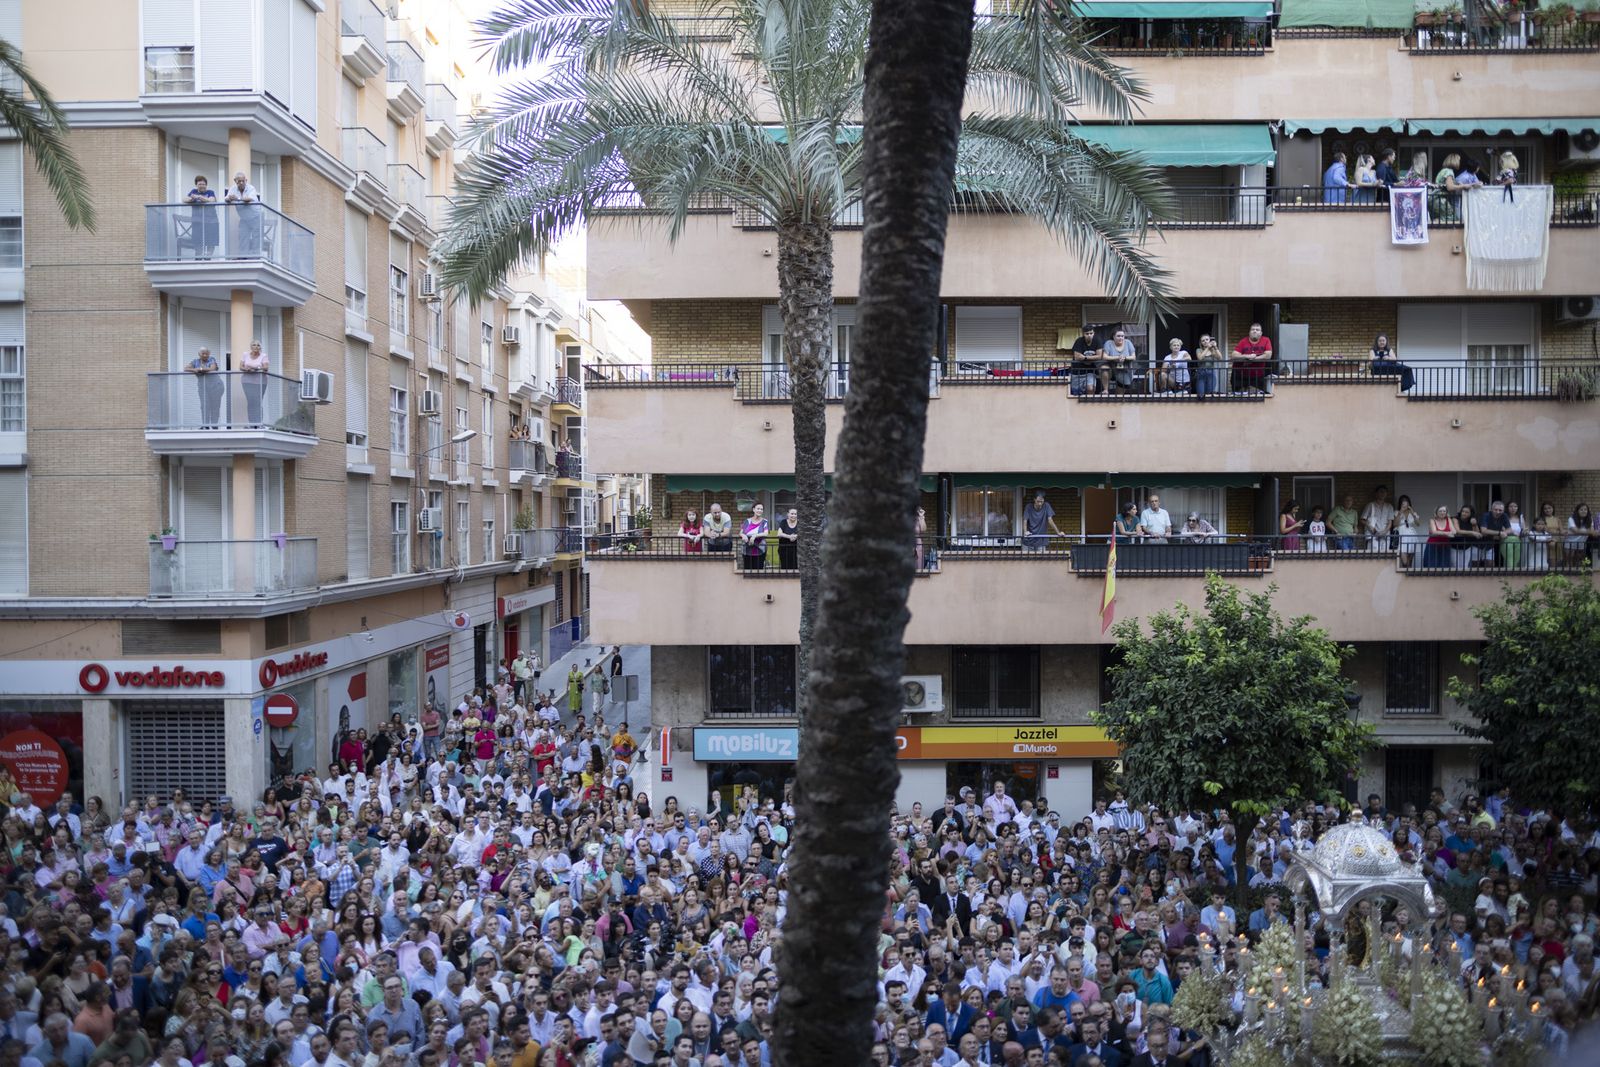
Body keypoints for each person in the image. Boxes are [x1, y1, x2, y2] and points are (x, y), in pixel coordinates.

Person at [224, 171, 262, 257]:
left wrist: (237, 198)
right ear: (235, 181)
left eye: (243, 181)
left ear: (246, 180)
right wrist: (229, 198)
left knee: (256, 238)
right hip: (244, 218)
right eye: (239, 181)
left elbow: (249, 199)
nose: (241, 183)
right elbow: (226, 199)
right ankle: (243, 258)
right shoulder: (233, 189)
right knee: (242, 237)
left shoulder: (251, 188)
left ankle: (256, 258)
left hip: (256, 217)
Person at [186, 347, 226, 429]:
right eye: (203, 353)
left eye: (206, 353)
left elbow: (212, 368)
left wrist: (200, 369)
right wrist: (195, 370)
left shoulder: (211, 359)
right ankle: (205, 425)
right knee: (204, 406)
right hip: (203, 387)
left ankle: (214, 426)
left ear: (209, 354)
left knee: (215, 406)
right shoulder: (195, 361)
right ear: (199, 354)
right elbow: (186, 368)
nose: (205, 355)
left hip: (216, 386)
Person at [1231, 323, 1272, 394]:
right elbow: (1234, 355)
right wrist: (1247, 356)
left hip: (1257, 376)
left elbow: (1268, 355)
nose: (1255, 331)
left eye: (1257, 330)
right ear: (1249, 332)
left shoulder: (1266, 340)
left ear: (1261, 333)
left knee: (1257, 397)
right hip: (1240, 375)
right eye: (1253, 329)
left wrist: (1254, 359)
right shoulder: (1243, 341)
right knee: (1238, 396)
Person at [185, 176, 218, 258]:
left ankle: (208, 259)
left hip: (211, 221)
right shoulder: (193, 191)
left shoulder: (210, 192)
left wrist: (199, 197)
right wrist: (192, 199)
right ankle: (199, 259)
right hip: (197, 222)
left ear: (206, 185)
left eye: (204, 184)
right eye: (200, 184)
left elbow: (212, 200)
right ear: (196, 185)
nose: (202, 186)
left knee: (211, 242)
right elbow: (185, 199)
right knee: (198, 242)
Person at [240, 340, 270, 427]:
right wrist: (247, 369)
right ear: (251, 347)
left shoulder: (264, 356)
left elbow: (266, 367)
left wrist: (256, 367)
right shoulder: (245, 354)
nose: (256, 347)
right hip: (247, 381)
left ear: (260, 347)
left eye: (258, 345)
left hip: (260, 382)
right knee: (251, 402)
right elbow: (241, 366)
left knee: (257, 402)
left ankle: (259, 423)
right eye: (254, 345)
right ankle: (252, 424)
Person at [1099, 330, 1139, 395]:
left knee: (1120, 394)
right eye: (1118, 336)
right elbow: (1104, 357)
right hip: (1111, 368)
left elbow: (1133, 357)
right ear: (1113, 336)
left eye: (1122, 336)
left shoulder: (1128, 342)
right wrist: (1117, 357)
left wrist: (1125, 358)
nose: (1121, 338)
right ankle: (1106, 390)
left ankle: (1117, 403)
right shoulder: (1109, 343)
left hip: (1124, 370)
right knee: (1104, 368)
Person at [1068, 326, 1102, 395]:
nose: (1089, 335)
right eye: (1087, 334)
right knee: (1075, 392)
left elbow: (1099, 356)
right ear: (1083, 334)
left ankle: (1090, 404)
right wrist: (1093, 357)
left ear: (1093, 333)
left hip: (1091, 371)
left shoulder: (1097, 341)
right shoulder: (1079, 341)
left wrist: (1085, 358)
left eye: (1091, 333)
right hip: (1077, 371)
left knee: (1091, 388)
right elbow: (1077, 357)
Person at [1361, 485, 1396, 552]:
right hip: (1373, 535)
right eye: (1381, 492)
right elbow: (1362, 520)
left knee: (1385, 556)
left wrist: (1384, 532)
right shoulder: (1370, 505)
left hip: (1385, 535)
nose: (1383, 494)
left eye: (1385, 492)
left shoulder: (1389, 506)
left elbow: (1390, 522)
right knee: (1373, 556)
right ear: (1376, 494)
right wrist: (1370, 527)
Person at [1395, 494, 1424, 569]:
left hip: (1411, 536)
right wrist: (1400, 512)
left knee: (1410, 562)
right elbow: (1395, 524)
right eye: (1403, 502)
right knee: (1404, 562)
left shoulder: (1412, 512)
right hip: (1401, 536)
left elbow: (1418, 524)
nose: (1405, 504)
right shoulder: (1397, 512)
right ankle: (1405, 574)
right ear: (1400, 503)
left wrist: (1413, 512)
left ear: (1409, 503)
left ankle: (1408, 577)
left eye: (1406, 502)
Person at [1191, 334, 1223, 400]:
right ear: (1201, 343)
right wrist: (1208, 348)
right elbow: (1200, 358)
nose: (1205, 341)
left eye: (1207, 340)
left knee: (1209, 394)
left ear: (1209, 340)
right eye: (1203, 341)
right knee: (1200, 394)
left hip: (1211, 373)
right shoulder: (1198, 350)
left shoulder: (1213, 350)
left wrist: (1216, 347)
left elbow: (1220, 358)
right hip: (1201, 373)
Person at [1424, 505, 1456, 569]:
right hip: (1433, 545)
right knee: (1431, 566)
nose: (1442, 513)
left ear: (1446, 512)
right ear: (1436, 512)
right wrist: (1447, 533)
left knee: (1444, 566)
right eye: (1440, 511)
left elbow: (1454, 532)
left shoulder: (1448, 520)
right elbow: (1434, 532)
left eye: (1444, 511)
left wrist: (1441, 533)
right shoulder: (1432, 520)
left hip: (1445, 546)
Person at [1566, 502, 1597, 567]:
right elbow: (1576, 530)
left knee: (1579, 560)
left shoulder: (1590, 519)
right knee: (1569, 561)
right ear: (1577, 511)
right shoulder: (1571, 518)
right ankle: (1569, 575)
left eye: (1585, 509)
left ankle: (1578, 576)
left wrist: (1580, 531)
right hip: (1570, 542)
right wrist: (1588, 531)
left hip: (1581, 543)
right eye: (1581, 509)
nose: (1583, 511)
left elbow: (1591, 530)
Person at [740, 504, 768, 572]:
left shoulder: (764, 521)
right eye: (758, 509)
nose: (760, 510)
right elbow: (741, 532)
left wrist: (755, 536)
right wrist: (743, 535)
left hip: (760, 550)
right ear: (753, 509)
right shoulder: (747, 521)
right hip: (747, 550)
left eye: (761, 509)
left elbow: (765, 533)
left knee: (758, 572)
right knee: (747, 571)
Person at [1500, 501, 1525, 570]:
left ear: (1517, 508)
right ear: (1507, 508)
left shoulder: (1520, 518)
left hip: (1518, 541)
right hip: (1506, 540)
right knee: (1509, 559)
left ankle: (1514, 576)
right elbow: (1503, 529)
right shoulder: (1504, 517)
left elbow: (1523, 530)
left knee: (1516, 559)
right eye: (1511, 506)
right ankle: (1508, 576)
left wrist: (1525, 532)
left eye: (1515, 506)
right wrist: (1512, 533)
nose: (1513, 508)